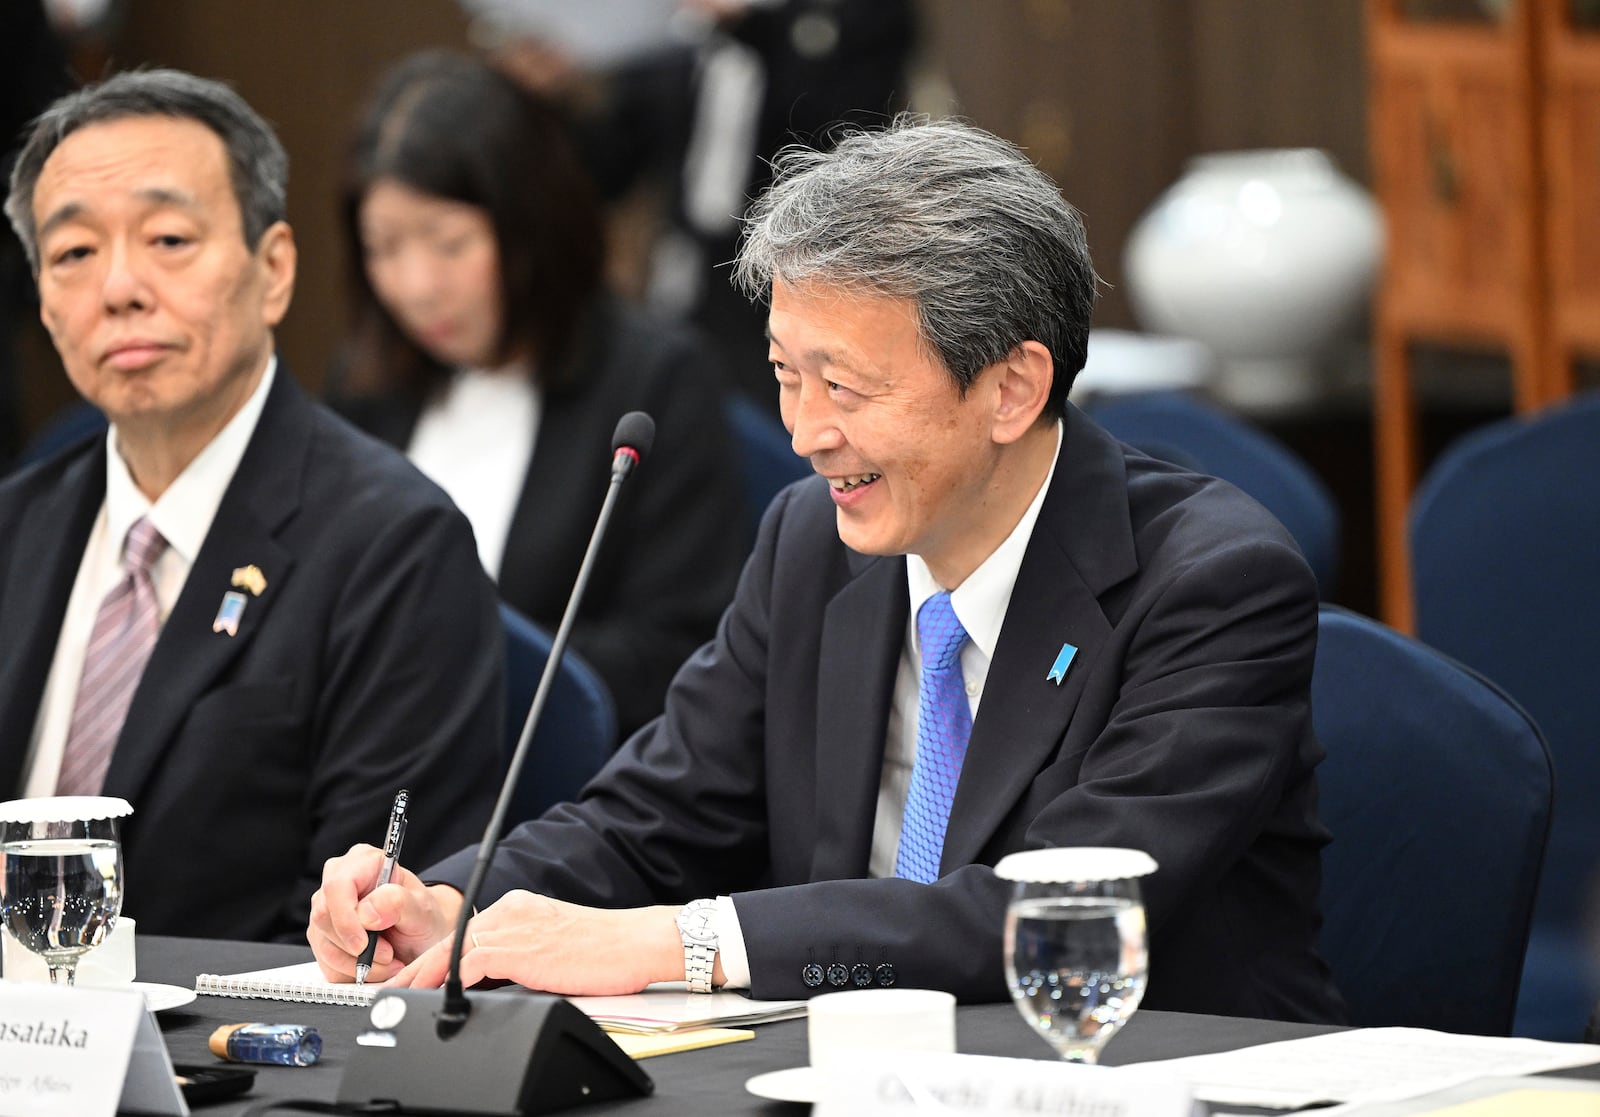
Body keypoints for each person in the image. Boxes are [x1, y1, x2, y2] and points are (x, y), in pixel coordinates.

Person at [308, 116, 1347, 1022]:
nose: (802, 433)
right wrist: (453, 904)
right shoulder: (811, 543)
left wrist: (681, 945)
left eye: (842, 386)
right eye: (783, 377)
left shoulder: (1211, 584)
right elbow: (652, 818)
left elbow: (1046, 915)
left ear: (1011, 388)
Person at [0, 69, 503, 942]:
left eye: (166, 239)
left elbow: (363, 941)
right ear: (42, 298)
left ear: (273, 271)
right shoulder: (16, 527)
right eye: (74, 252)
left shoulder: (394, 546)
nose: (119, 288)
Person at [328, 51, 746, 736]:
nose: (416, 284)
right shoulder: (366, 380)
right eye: (383, 247)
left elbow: (684, 650)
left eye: (448, 243)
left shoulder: (654, 382)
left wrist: (458, 660)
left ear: (529, 226)